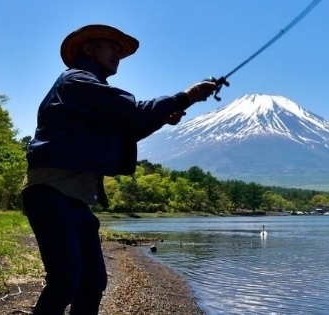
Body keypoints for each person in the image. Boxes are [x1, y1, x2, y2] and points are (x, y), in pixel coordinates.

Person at [21, 24, 218, 315]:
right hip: (51, 192)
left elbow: (124, 130)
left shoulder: (90, 95)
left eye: (120, 49)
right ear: (88, 48)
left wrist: (162, 118)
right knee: (65, 282)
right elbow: (131, 113)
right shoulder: (76, 81)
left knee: (93, 282)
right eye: (111, 46)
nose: (118, 53)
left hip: (75, 197)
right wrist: (185, 96)